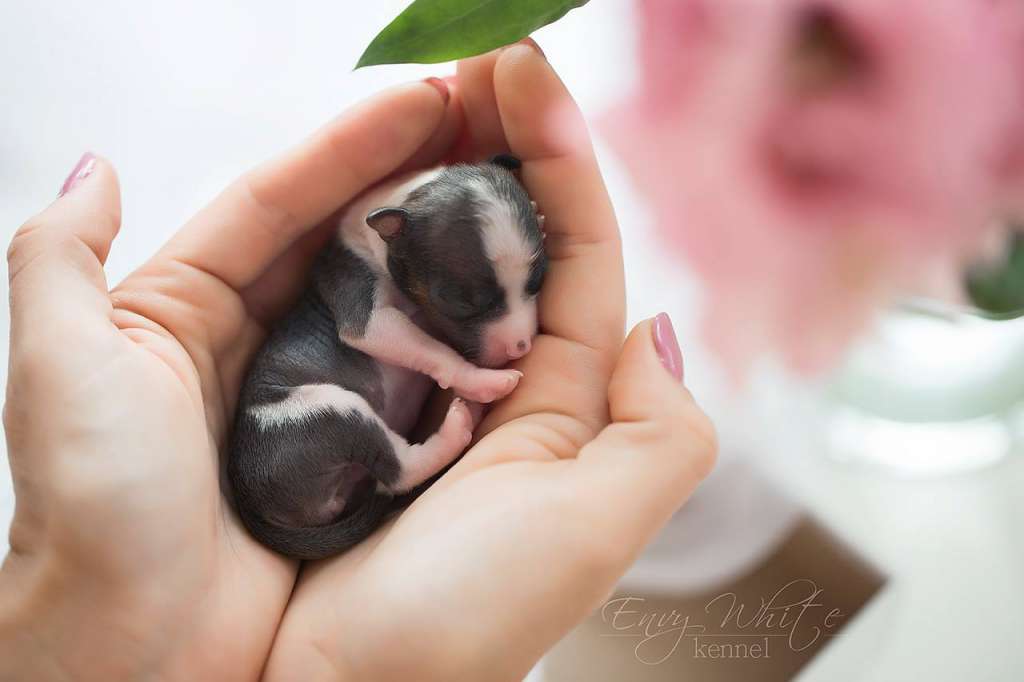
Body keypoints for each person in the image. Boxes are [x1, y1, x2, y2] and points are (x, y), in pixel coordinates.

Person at [0, 41, 716, 681]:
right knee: (334, 409)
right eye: (473, 303)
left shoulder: (419, 229)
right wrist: (458, 374)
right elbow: (365, 329)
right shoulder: (360, 249)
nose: (520, 329)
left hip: (329, 482)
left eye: (528, 287)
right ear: (391, 239)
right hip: (293, 459)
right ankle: (416, 461)